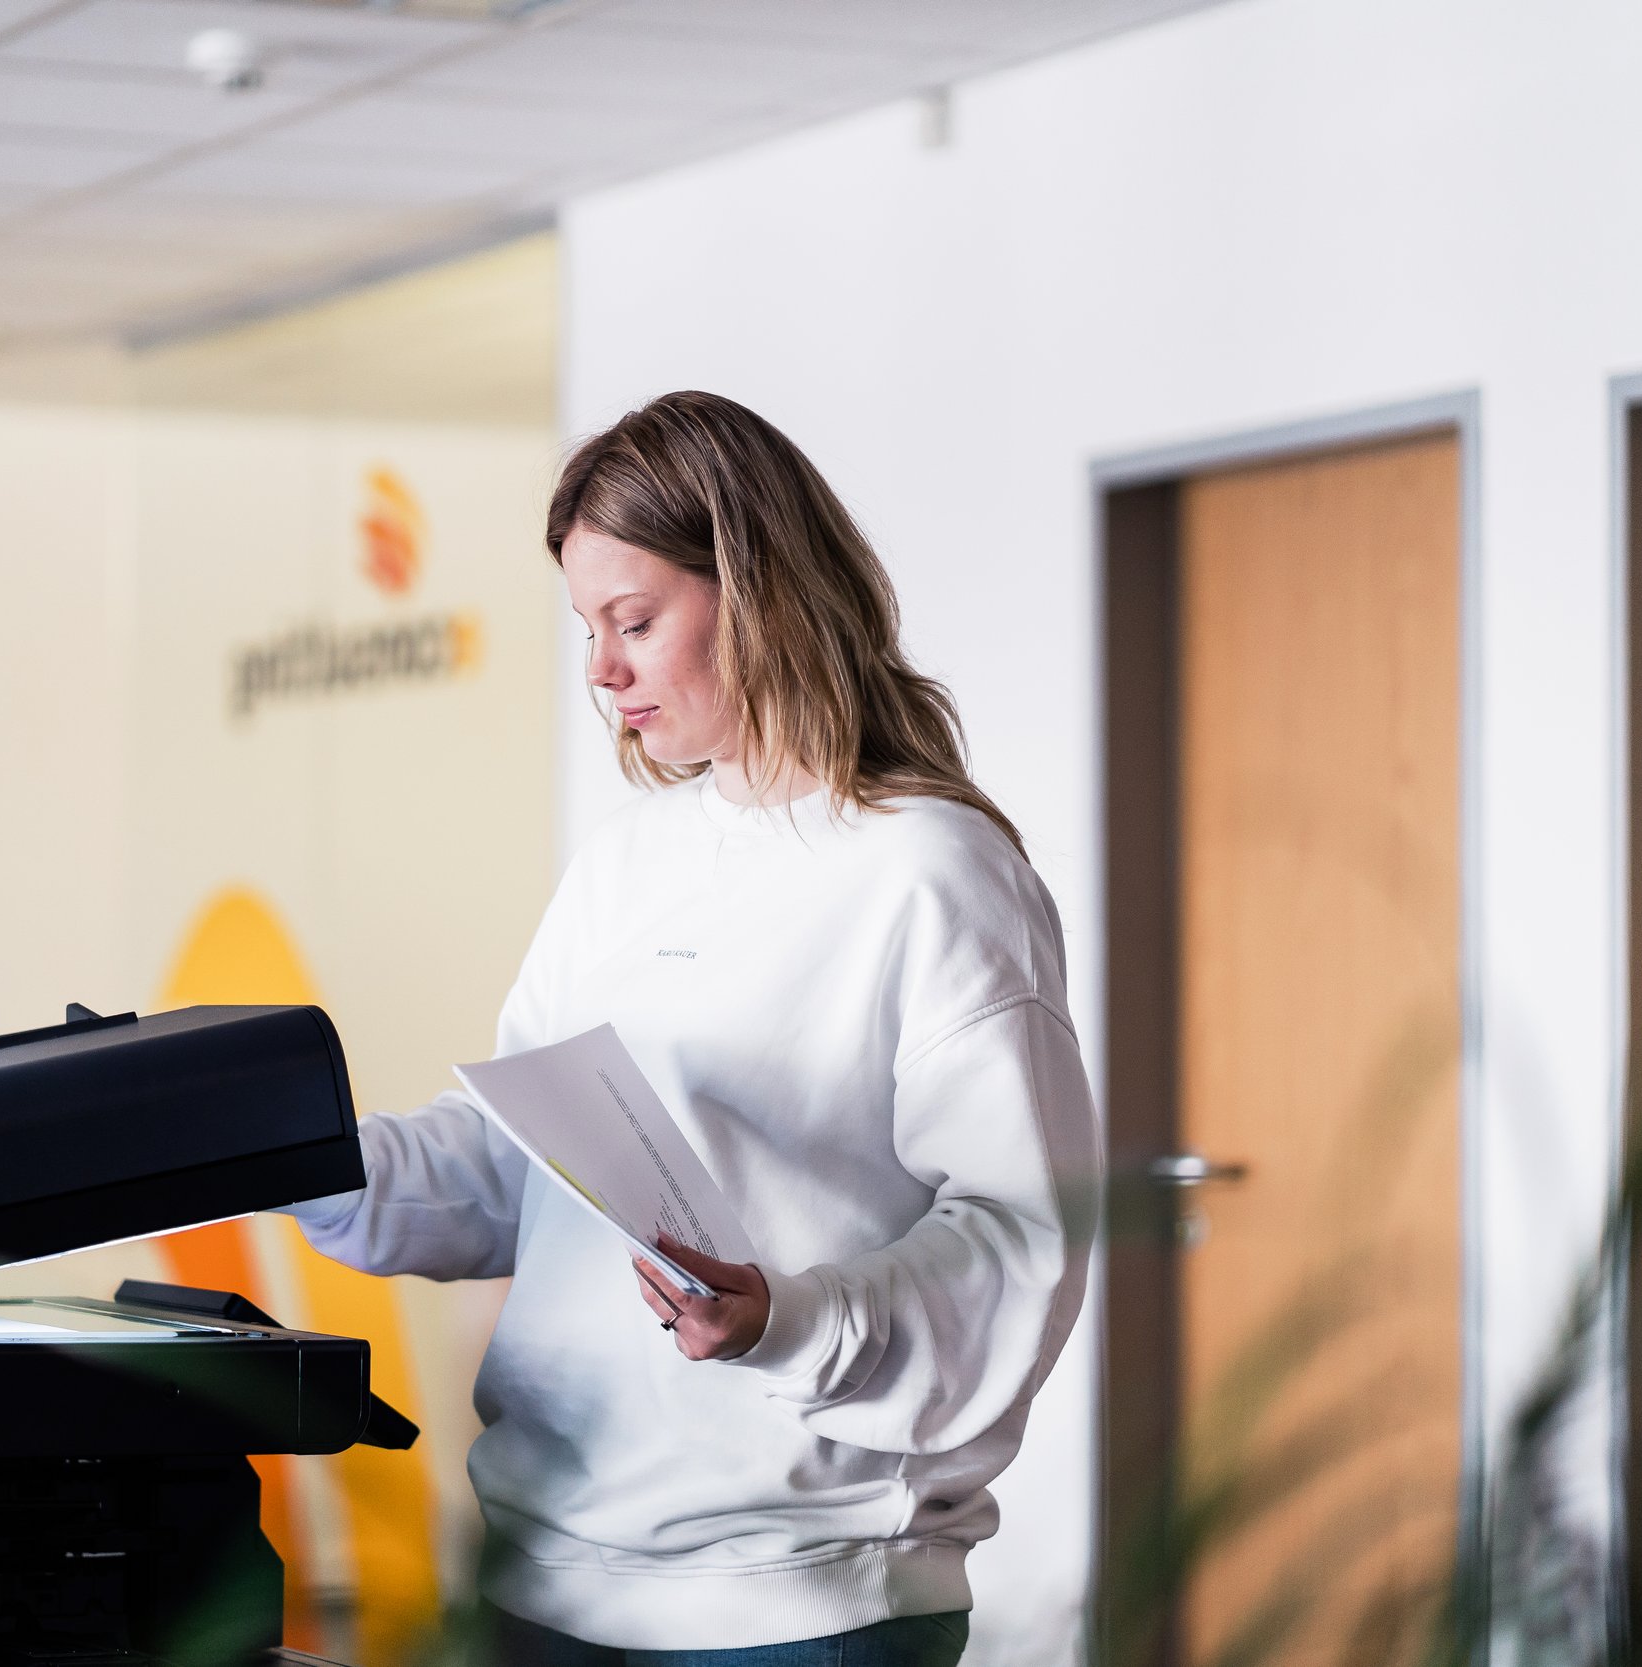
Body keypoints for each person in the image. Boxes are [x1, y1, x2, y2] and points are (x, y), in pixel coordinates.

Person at [284, 391, 1100, 1666]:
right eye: (587, 628)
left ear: (760, 592)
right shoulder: (626, 863)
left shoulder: (931, 871)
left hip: (794, 1602)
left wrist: (790, 1314)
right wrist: (304, 1156)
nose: (603, 672)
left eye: (635, 620)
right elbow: (521, 1174)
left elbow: (1019, 1234)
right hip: (545, 1566)